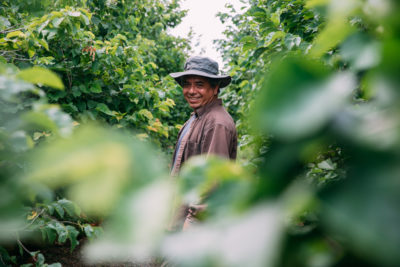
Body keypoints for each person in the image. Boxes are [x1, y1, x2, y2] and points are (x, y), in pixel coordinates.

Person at [169, 56, 237, 230]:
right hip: (180, 215)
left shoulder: (216, 123)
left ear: (215, 88)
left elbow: (212, 179)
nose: (191, 91)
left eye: (199, 84)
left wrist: (193, 221)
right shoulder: (196, 118)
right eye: (187, 84)